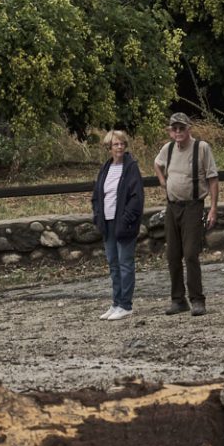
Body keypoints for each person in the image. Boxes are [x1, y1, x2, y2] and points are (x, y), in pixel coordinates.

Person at [153, 111, 218, 316]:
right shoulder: (168, 148)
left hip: (193, 206)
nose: (178, 132)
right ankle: (178, 300)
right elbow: (156, 163)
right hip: (172, 207)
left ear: (189, 128)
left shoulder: (201, 148)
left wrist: (214, 208)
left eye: (182, 128)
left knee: (190, 254)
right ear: (171, 132)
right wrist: (163, 181)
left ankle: (198, 300)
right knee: (172, 255)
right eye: (175, 129)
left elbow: (213, 179)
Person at [90, 129, 145, 320]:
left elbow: (136, 198)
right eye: (115, 144)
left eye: (122, 143)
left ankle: (126, 305)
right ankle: (116, 303)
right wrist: (98, 216)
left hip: (124, 224)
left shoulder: (131, 168)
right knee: (113, 264)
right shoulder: (105, 168)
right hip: (107, 222)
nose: (119, 147)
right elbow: (97, 195)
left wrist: (126, 219)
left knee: (125, 263)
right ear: (109, 147)